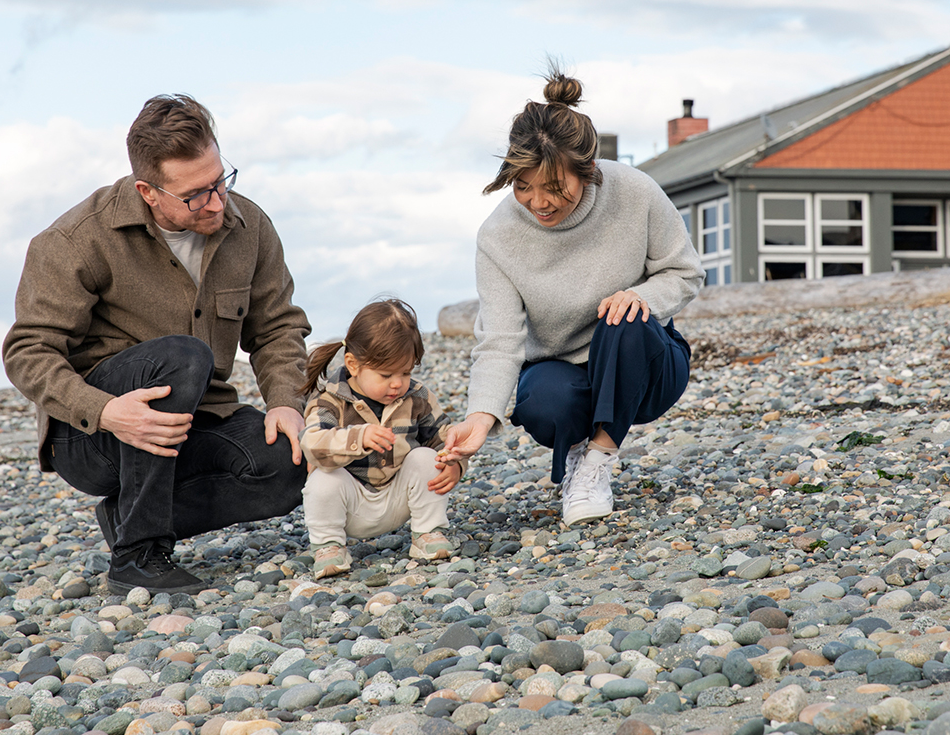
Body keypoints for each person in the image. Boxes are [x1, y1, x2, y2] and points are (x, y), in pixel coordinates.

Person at [2, 94, 312, 595]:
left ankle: (130, 517)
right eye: (196, 195)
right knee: (184, 357)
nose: (216, 202)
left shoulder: (249, 226)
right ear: (148, 190)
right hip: (92, 435)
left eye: (220, 181)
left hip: (199, 420)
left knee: (289, 463)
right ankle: (137, 558)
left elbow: (277, 327)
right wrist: (106, 411)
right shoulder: (75, 240)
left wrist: (284, 402)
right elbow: (27, 351)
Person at [443, 68, 702, 527]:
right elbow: (500, 340)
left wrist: (641, 295)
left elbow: (685, 272)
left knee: (625, 316)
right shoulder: (497, 237)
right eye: (524, 186)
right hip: (560, 369)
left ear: (590, 171)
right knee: (544, 404)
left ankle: (597, 462)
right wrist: (480, 416)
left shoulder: (635, 192)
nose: (538, 201)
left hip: (646, 362)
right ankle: (579, 450)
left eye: (554, 187)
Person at [298, 299, 464, 580]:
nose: (397, 383)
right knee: (323, 479)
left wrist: (456, 462)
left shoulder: (416, 397)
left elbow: (444, 437)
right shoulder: (330, 401)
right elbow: (311, 443)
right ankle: (329, 546)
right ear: (353, 364)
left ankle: (427, 532)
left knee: (426, 458)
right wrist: (357, 438)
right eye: (386, 375)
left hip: (399, 499)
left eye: (406, 372)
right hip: (350, 505)